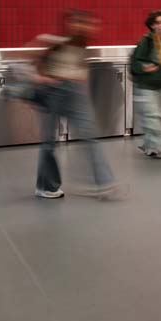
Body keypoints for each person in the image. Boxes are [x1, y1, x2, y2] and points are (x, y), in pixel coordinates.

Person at [32, 10, 122, 200]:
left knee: (90, 137)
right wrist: (45, 77)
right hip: (53, 91)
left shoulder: (81, 43)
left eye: (87, 24)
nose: (85, 27)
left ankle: (104, 183)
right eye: (79, 23)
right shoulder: (55, 42)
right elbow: (36, 63)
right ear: (69, 24)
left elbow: (78, 67)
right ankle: (46, 185)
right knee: (49, 142)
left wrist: (78, 75)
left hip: (73, 92)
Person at [130, 10, 161, 159]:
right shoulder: (146, 41)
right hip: (146, 86)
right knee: (152, 117)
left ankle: (149, 145)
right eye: (158, 23)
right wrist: (144, 67)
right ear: (151, 25)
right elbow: (134, 64)